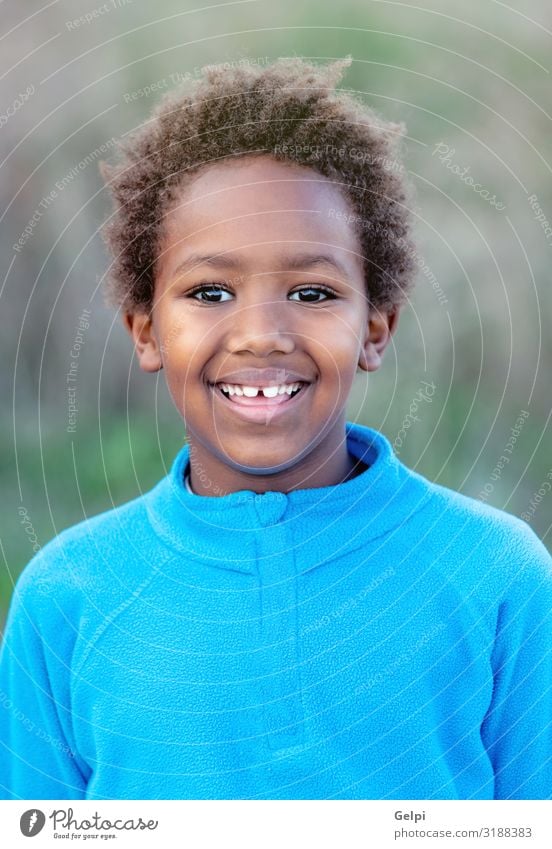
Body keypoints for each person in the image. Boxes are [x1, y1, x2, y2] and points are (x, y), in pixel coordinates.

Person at [1, 57, 551, 801]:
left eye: (313, 291)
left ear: (376, 327)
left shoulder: (498, 575)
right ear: (146, 330)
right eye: (211, 291)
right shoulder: (66, 598)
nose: (261, 333)